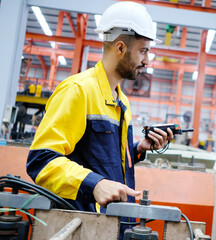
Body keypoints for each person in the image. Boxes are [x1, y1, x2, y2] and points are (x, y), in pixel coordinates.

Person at [26, 2, 173, 238]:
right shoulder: (78, 91)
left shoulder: (121, 101)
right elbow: (41, 161)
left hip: (112, 224)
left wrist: (137, 149)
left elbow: (101, 157)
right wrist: (94, 184)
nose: (147, 61)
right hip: (83, 225)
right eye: (143, 51)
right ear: (121, 47)